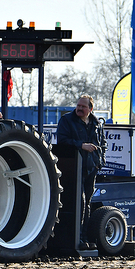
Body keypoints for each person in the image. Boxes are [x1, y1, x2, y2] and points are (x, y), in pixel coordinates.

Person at [57, 95, 107, 250]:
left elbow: (103, 144)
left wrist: (100, 162)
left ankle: (84, 238)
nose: (79, 108)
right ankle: (76, 239)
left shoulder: (96, 123)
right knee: (79, 203)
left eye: (83, 107)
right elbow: (62, 141)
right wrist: (81, 145)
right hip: (73, 168)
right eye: (78, 105)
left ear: (90, 109)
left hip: (91, 168)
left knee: (88, 204)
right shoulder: (67, 120)